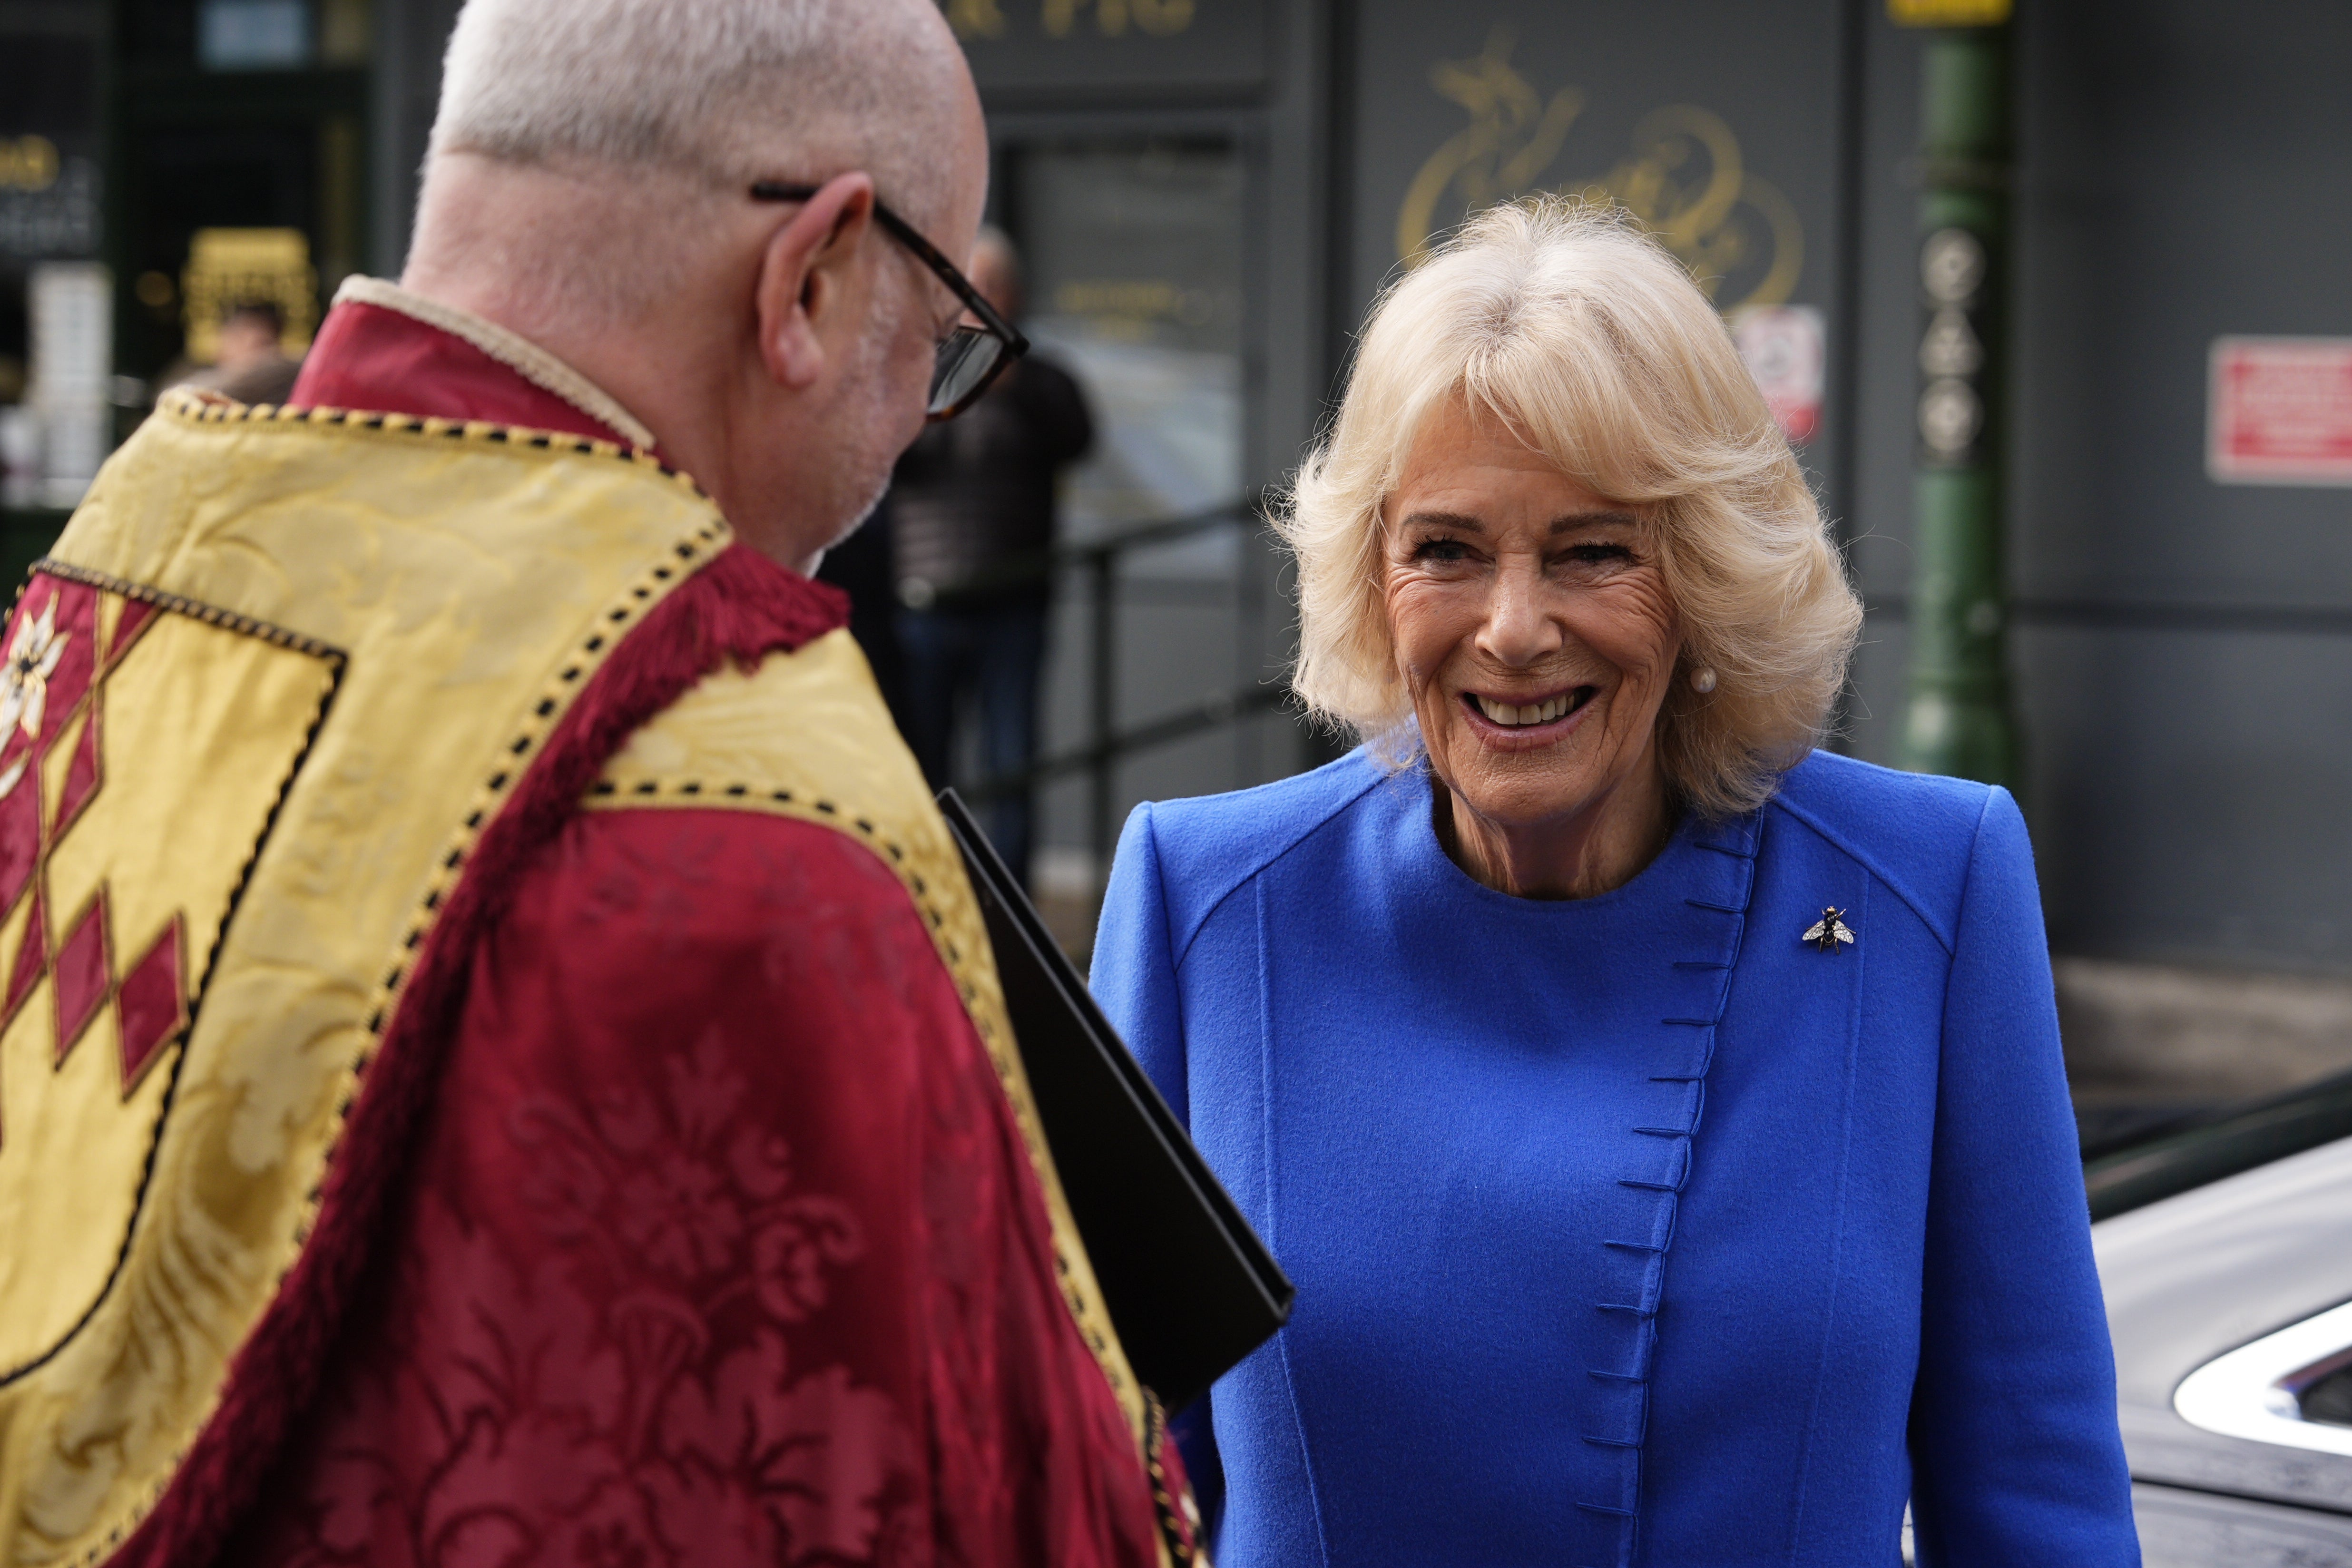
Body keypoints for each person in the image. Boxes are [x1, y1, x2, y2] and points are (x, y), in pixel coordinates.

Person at [0, 3, 1197, 1566]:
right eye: (938, 338)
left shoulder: (104, 621)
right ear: (813, 279)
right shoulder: (758, 817)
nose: (922, 415)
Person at [1091, 198, 2140, 1568]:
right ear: (1371, 574)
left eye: (1593, 550)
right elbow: (1095, 1495)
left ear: (1702, 573)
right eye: (1446, 549)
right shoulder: (1208, 906)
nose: (1514, 628)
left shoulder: (1923, 890)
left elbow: (2038, 1500)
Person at [888, 227, 1092, 886]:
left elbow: (1077, 439)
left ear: (1016, 295)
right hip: (926, 604)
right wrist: (942, 390)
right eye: (966, 287)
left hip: (1015, 603)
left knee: (1014, 766)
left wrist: (1013, 385)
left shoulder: (1043, 378)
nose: (978, 300)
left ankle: (1011, 905)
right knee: (926, 766)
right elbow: (892, 462)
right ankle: (936, 899)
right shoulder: (915, 375)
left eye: (992, 286)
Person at [174, 299, 304, 405]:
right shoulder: (190, 386)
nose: (249, 354)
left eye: (261, 344)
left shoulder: (287, 386)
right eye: (239, 339)